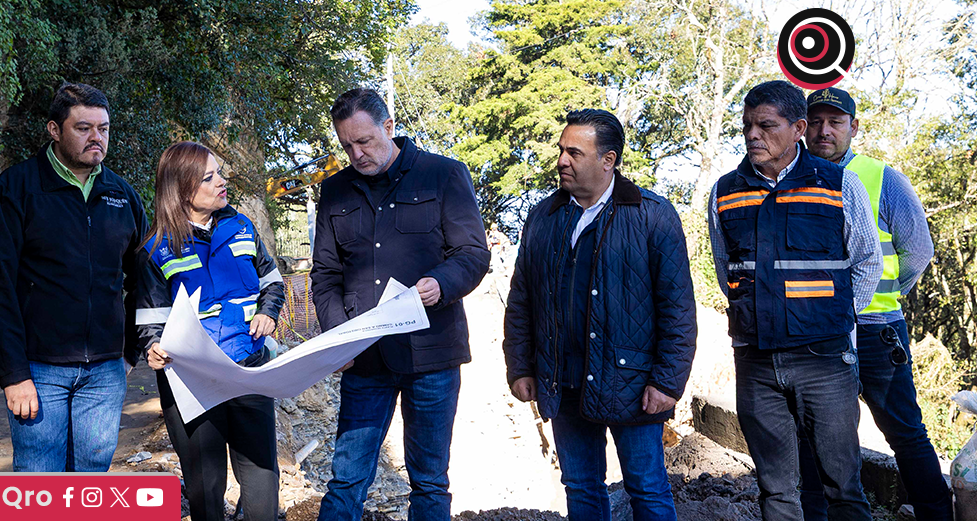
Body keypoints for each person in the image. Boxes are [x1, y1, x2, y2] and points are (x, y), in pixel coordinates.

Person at [503, 109, 697, 520]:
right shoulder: (543, 217)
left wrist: (667, 381)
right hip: (562, 381)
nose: (562, 161)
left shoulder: (652, 214)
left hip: (634, 385)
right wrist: (520, 366)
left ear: (608, 160)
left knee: (647, 488)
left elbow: (678, 308)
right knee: (580, 488)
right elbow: (521, 300)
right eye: (561, 150)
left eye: (574, 152)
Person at [311, 88, 490, 520]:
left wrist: (439, 284)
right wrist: (338, 338)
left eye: (364, 141)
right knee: (346, 480)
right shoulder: (334, 191)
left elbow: (472, 254)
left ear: (389, 127)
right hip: (364, 358)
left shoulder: (444, 175)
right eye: (347, 146)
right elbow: (325, 274)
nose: (356, 154)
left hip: (431, 355)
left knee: (429, 481)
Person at [707, 80, 883, 520]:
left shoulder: (838, 184)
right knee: (776, 492)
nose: (752, 135)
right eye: (747, 126)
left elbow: (867, 261)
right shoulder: (724, 191)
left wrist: (836, 318)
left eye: (766, 125)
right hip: (756, 362)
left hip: (825, 362)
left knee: (843, 489)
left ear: (798, 129)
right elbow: (726, 268)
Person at [0, 83, 148, 472]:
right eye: (83, 128)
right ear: (54, 130)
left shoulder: (122, 196)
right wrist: (13, 374)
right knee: (40, 484)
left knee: (91, 484)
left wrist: (129, 352)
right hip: (38, 369)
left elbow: (144, 280)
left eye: (103, 128)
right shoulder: (14, 190)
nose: (96, 137)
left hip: (105, 371)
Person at [799, 87, 950, 521]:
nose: (825, 131)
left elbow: (918, 251)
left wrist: (881, 293)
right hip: (815, 332)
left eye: (835, 122)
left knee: (904, 431)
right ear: (803, 128)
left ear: (854, 127)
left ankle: (937, 514)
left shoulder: (883, 178)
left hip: (874, 328)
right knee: (814, 436)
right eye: (817, 122)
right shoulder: (794, 180)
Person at [133, 141, 286, 521]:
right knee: (205, 488)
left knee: (262, 483)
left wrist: (268, 313)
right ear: (183, 189)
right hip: (191, 383)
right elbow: (150, 318)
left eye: (219, 173)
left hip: (248, 368)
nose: (221, 182)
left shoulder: (242, 227)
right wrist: (153, 345)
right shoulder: (156, 248)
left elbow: (272, 282)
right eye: (209, 177)